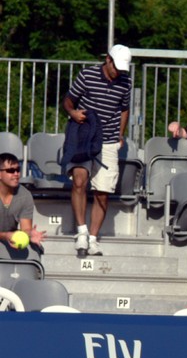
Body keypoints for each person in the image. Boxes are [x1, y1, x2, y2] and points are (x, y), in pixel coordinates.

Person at [63, 44, 132, 257]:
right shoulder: (87, 74)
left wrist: (120, 134)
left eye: (122, 68)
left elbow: (124, 109)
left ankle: (93, 238)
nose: (118, 71)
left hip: (109, 139)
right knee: (79, 181)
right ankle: (81, 232)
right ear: (107, 59)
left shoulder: (125, 82)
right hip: (83, 134)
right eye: (116, 67)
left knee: (103, 193)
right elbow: (68, 100)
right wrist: (72, 113)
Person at [0, 152, 46, 260]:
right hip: (6, 237)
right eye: (11, 170)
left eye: (18, 170)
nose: (16, 174)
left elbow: (25, 228)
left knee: (34, 250)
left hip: (9, 240)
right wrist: (6, 236)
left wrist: (30, 234)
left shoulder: (25, 195)